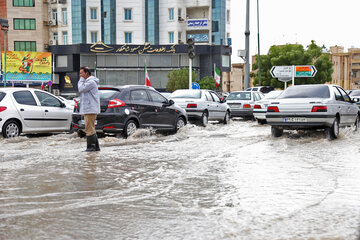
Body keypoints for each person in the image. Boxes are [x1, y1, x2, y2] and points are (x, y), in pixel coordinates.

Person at [78, 66, 100, 152]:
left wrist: (81, 80)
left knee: (89, 128)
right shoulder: (88, 82)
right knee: (91, 128)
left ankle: (91, 147)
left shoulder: (90, 82)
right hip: (88, 109)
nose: (80, 75)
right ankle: (96, 147)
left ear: (86, 73)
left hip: (90, 109)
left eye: (81, 73)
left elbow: (81, 89)